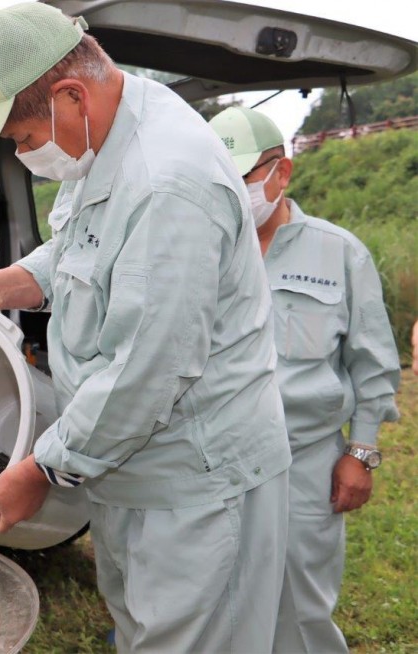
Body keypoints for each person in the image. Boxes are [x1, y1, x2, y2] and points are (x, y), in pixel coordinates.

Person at [0, 4, 292, 651]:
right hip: (128, 468)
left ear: (71, 95)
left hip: (196, 484)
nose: (21, 153)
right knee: (143, 630)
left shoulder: (168, 181)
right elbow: (80, 250)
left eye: (19, 138)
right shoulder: (99, 140)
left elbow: (147, 368)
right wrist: (5, 283)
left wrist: (42, 468)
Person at [210, 106, 401, 654]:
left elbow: (373, 363)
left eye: (241, 178)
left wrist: (360, 453)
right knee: (217, 595)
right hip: (217, 458)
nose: (230, 194)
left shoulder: (338, 252)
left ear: (281, 173)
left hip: (305, 459)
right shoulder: (205, 251)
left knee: (301, 606)